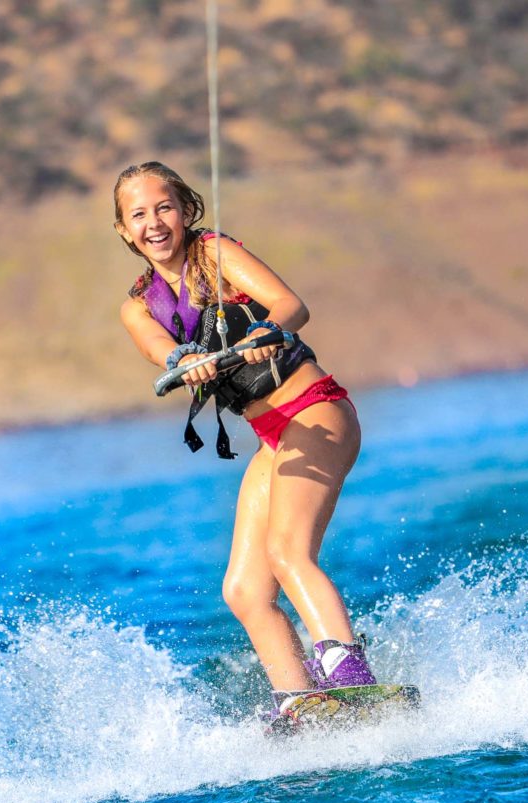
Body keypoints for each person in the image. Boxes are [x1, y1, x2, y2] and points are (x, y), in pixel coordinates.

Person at [113, 161, 379, 721]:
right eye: (138, 215)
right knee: (243, 590)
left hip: (315, 411)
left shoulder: (214, 254)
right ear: (123, 231)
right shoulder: (136, 306)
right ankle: (302, 703)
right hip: (270, 439)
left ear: (186, 211)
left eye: (164, 207)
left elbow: (291, 305)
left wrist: (266, 330)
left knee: (287, 553)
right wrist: (183, 361)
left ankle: (353, 680)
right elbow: (159, 346)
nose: (154, 223)